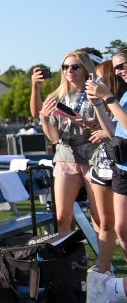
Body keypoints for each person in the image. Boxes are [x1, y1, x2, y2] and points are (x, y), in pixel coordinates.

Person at [38, 51, 102, 237]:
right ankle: (68, 262)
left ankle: (103, 263)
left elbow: (106, 128)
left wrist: (81, 122)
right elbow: (54, 138)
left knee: (99, 218)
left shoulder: (96, 93)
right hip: (66, 156)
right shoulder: (56, 96)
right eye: (65, 67)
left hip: (93, 156)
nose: (69, 71)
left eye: (75, 66)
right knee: (62, 218)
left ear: (86, 69)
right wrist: (44, 119)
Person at [89, 49, 127, 301]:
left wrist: (109, 98)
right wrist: (99, 106)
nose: (120, 71)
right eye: (117, 68)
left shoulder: (119, 97)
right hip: (123, 169)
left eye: (123, 65)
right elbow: (116, 130)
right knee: (122, 229)